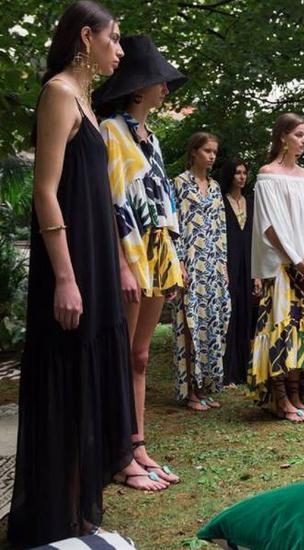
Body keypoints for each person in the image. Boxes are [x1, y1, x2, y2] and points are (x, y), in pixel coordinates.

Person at [8, 2, 150, 546]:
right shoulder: (59, 94)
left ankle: (79, 514)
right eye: (114, 39)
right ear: (86, 38)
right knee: (67, 384)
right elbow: (46, 192)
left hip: (96, 262)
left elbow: (100, 194)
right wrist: (65, 278)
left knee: (89, 386)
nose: (120, 50)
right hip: (70, 265)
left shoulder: (88, 104)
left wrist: (118, 263)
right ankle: (57, 520)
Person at [93, 34, 185, 486]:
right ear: (136, 88)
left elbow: (163, 201)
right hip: (130, 250)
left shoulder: (154, 140)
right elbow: (111, 200)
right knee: (121, 353)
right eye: (158, 80)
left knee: (142, 355)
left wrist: (174, 256)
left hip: (159, 250)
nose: (165, 87)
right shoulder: (110, 131)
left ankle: (139, 444)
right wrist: (122, 263)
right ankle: (118, 453)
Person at [248, 112, 304, 422]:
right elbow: (269, 226)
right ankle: (281, 400)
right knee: (281, 330)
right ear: (283, 137)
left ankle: (297, 396)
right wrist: (297, 260)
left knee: (302, 333)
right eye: (299, 134)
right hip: (283, 267)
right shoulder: (267, 174)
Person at [172, 133, 231, 410]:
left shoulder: (216, 187)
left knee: (213, 323)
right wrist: (179, 262)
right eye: (207, 151)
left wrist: (224, 265)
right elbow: (175, 225)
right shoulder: (179, 183)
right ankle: (191, 391)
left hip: (213, 264)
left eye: (215, 152)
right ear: (194, 151)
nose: (212, 156)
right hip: (191, 262)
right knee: (191, 324)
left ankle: (205, 385)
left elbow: (221, 228)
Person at [219, 158, 262, 385]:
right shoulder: (220, 201)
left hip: (249, 264)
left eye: (245, 172)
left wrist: (257, 274)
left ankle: (244, 371)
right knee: (229, 314)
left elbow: (258, 239)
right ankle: (226, 372)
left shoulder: (252, 203)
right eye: (237, 172)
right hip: (228, 263)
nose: (242, 177)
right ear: (230, 175)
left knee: (246, 314)